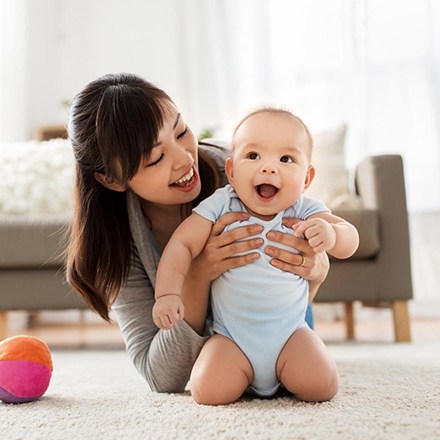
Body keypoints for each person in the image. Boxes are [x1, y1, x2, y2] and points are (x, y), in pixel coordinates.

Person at [66, 73, 331, 397]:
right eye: (156, 158)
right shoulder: (118, 242)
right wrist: (198, 274)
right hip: (224, 355)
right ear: (112, 179)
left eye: (181, 131)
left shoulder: (243, 174)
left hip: (286, 329)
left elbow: (311, 246)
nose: (184, 158)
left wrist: (316, 270)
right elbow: (161, 376)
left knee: (314, 378)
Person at [153, 107, 359, 405]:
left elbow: (349, 237)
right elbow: (182, 245)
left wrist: (333, 234)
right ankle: (244, 375)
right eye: (253, 156)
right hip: (231, 339)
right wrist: (167, 294)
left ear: (307, 177)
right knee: (207, 391)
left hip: (290, 334)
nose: (269, 168)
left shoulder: (304, 209)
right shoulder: (222, 204)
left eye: (286, 159)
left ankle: (286, 371)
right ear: (232, 171)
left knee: (322, 386)